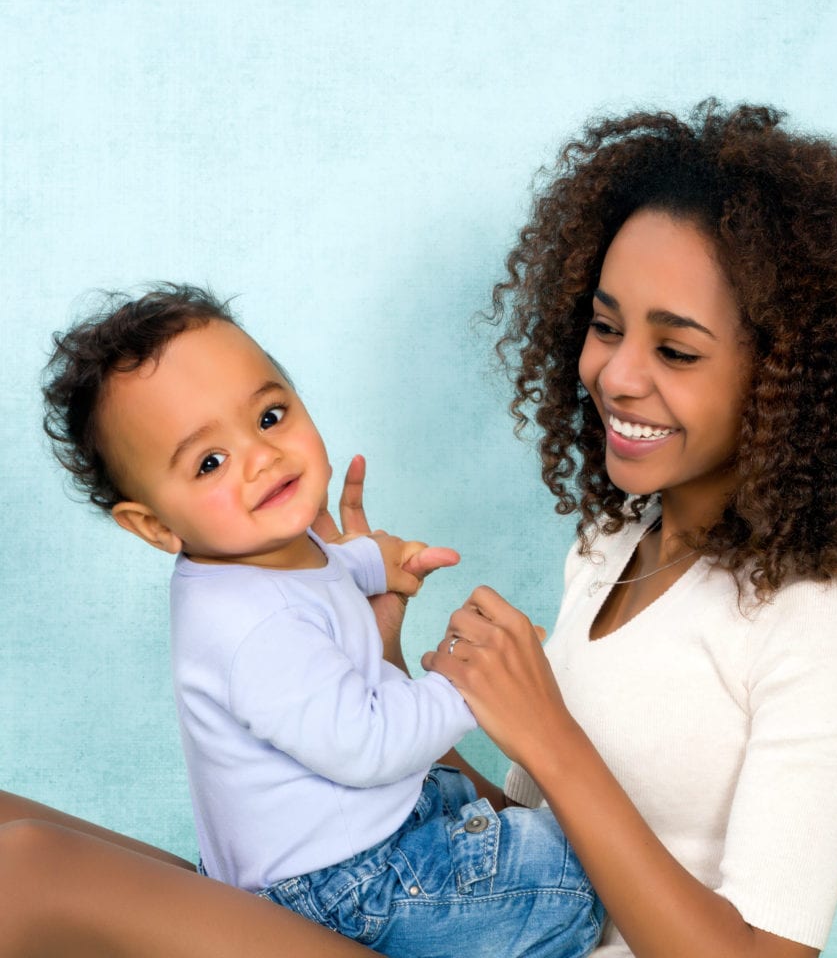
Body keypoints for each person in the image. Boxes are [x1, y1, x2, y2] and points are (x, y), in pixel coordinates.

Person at [0, 98, 837, 958]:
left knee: (26, 874)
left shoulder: (822, 627)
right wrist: (380, 658)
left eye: (674, 348)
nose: (614, 375)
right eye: (604, 327)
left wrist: (547, 732)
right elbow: (503, 849)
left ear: (793, 375)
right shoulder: (618, 539)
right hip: (476, 923)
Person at [24, 285, 603, 958]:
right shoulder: (255, 634)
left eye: (270, 415)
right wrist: (467, 686)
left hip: (363, 830)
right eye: (210, 462)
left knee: (504, 824)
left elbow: (321, 570)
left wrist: (376, 563)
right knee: (575, 881)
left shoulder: (249, 553)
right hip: (344, 885)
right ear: (153, 525)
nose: (262, 456)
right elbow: (367, 745)